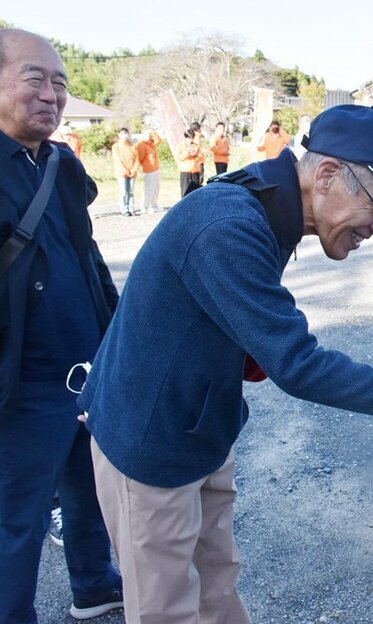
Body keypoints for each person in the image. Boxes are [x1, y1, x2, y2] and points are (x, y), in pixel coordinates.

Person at [77, 104, 373, 623]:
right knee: (165, 608)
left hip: (202, 427)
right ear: (325, 175)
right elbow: (298, 364)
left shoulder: (268, 204)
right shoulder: (228, 224)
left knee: (217, 586)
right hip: (151, 440)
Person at [0, 28, 123, 622]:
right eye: (34, 80)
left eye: (60, 84)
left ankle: (94, 586)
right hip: (20, 382)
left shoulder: (60, 163)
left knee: (89, 489)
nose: (51, 95)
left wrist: (117, 329)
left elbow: (87, 254)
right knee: (16, 517)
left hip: (85, 364)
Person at [112, 127, 139, 216]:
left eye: (126, 133)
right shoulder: (116, 147)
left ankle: (131, 208)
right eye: (122, 133)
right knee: (123, 191)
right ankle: (124, 209)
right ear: (119, 135)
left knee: (130, 191)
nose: (124, 135)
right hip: (122, 173)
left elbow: (137, 159)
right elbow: (118, 160)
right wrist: (126, 170)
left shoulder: (132, 146)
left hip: (132, 172)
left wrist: (133, 170)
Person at [135, 129, 161, 213]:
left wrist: (153, 132)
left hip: (155, 168)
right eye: (147, 134)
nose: (149, 136)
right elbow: (140, 157)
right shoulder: (141, 144)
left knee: (156, 188)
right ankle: (145, 206)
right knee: (149, 189)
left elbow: (159, 140)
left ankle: (154, 204)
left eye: (150, 135)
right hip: (148, 170)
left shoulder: (151, 143)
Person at [176, 128, 202, 197]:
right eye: (188, 138)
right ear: (186, 137)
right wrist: (187, 154)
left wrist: (195, 154)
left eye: (192, 138)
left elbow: (200, 155)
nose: (190, 140)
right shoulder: (180, 145)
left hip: (195, 170)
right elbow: (180, 157)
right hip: (185, 171)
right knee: (185, 191)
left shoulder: (196, 145)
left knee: (196, 191)